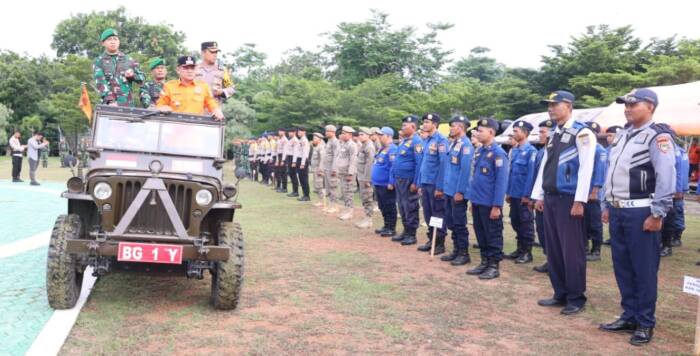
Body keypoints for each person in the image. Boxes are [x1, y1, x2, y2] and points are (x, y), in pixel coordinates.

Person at [599, 88, 675, 346]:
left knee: (643, 269)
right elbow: (611, 171)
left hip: (642, 211)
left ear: (650, 106)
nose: (628, 108)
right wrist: (607, 204)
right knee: (623, 266)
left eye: (634, 104)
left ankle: (645, 322)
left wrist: (658, 212)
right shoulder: (622, 135)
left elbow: (666, 175)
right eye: (626, 105)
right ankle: (629, 314)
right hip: (619, 209)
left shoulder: (658, 136)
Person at [531, 91, 596, 316]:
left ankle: (576, 296)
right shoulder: (555, 133)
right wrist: (538, 194)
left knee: (572, 250)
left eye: (554, 104)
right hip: (550, 198)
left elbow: (587, 168)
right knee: (554, 248)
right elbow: (546, 166)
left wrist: (580, 200)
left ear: (568, 105)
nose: (550, 108)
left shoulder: (582, 132)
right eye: (548, 105)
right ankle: (559, 292)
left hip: (569, 199)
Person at [466, 118, 508, 279]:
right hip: (478, 201)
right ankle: (484, 262)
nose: (477, 133)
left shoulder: (498, 153)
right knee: (481, 233)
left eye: (481, 130)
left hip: (490, 203)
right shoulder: (480, 151)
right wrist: (472, 200)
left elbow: (501, 182)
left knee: (493, 234)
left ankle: (493, 265)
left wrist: (497, 205)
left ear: (491, 132)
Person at [441, 116, 474, 266]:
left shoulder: (466, 145)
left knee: (459, 223)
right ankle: (456, 250)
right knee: (451, 221)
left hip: (457, 192)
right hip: (449, 190)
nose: (451, 129)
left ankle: (463, 253)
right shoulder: (453, 144)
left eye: (453, 126)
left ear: (460, 128)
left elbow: (465, 170)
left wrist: (460, 191)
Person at [504, 121, 538, 264]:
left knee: (526, 223)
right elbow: (511, 173)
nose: (514, 134)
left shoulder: (531, 152)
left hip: (524, 195)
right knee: (515, 221)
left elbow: (531, 175)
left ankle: (527, 252)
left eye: (516, 131)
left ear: (525, 133)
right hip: (514, 193)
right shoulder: (515, 150)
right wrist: (509, 192)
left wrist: (527, 196)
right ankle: (519, 249)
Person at [416, 113, 448, 255]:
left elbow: (443, 164)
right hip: (425, 182)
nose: (424, 124)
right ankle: (431, 239)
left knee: (437, 213)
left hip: (435, 184)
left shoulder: (441, 140)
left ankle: (439, 242)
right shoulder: (427, 140)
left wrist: (440, 187)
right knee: (428, 212)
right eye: (424, 122)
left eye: (427, 122)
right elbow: (423, 163)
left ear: (434, 124)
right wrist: (420, 183)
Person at [156, 56, 224, 120]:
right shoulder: (169, 86)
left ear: (196, 70)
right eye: (186, 68)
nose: (190, 71)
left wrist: (216, 111)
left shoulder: (203, 87)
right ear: (178, 70)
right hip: (174, 126)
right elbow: (160, 105)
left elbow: (211, 103)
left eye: (192, 68)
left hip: (196, 127)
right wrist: (162, 107)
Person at [392, 116, 424, 245]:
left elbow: (419, 163)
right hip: (400, 179)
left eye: (405, 125)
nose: (402, 127)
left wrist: (416, 182)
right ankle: (406, 230)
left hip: (409, 180)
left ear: (413, 127)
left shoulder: (417, 141)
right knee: (402, 205)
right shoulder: (405, 141)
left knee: (410, 206)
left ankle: (411, 234)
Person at [93, 28, 144, 106]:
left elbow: (142, 79)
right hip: (109, 105)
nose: (113, 42)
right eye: (109, 39)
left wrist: (132, 76)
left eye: (115, 39)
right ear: (103, 43)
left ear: (119, 42)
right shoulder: (99, 61)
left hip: (128, 105)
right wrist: (110, 101)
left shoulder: (129, 60)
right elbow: (101, 83)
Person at [660, 124, 689, 257]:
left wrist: (678, 190)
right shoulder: (676, 150)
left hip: (671, 191)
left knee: (671, 217)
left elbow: (679, 173)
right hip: (665, 190)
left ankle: (669, 243)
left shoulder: (675, 151)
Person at [531, 119, 555, 273]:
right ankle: (549, 259)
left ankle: (555, 262)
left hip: (551, 198)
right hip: (540, 197)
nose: (539, 135)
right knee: (541, 230)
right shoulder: (541, 152)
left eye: (542, 132)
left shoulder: (556, 151)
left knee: (552, 232)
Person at [584, 122, 607, 262]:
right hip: (582, 193)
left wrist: (595, 191)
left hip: (593, 193)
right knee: (583, 221)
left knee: (594, 222)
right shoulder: (584, 149)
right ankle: (584, 247)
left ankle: (596, 250)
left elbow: (600, 172)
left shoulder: (599, 150)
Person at [372, 127, 399, 237]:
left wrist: (391, 182)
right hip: (378, 183)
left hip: (386, 184)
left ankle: (391, 228)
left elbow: (393, 167)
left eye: (381, 135)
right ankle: (386, 225)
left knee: (389, 205)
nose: (379, 137)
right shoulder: (383, 149)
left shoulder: (392, 149)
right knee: (382, 205)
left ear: (388, 136)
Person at [602, 125, 623, 246]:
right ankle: (613, 236)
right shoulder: (607, 150)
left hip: (618, 187)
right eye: (607, 136)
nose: (608, 138)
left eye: (610, 135)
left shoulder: (621, 149)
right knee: (608, 210)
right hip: (607, 185)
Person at [334, 126, 358, 220]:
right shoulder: (343, 144)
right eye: (342, 133)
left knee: (348, 192)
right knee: (344, 192)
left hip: (348, 173)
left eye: (345, 133)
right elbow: (340, 158)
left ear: (350, 135)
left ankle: (350, 211)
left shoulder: (352, 145)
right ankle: (346, 209)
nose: (343, 135)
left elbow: (353, 160)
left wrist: (350, 173)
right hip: (342, 172)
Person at [354, 127, 377, 229]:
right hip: (361, 176)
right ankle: (366, 218)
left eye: (362, 134)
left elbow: (370, 164)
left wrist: (368, 179)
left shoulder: (369, 146)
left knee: (367, 198)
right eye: (359, 134)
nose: (360, 136)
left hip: (366, 177)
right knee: (364, 198)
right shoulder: (363, 145)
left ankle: (369, 219)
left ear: (368, 135)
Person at [321, 125, 341, 214]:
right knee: (328, 187)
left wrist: (334, 169)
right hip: (327, 167)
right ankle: (330, 204)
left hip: (332, 168)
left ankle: (335, 205)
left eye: (327, 131)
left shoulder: (335, 142)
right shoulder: (329, 141)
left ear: (332, 132)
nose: (326, 133)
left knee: (333, 187)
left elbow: (336, 156)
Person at [310, 132, 326, 207]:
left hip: (318, 169)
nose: (313, 140)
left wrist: (320, 170)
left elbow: (322, 159)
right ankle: (320, 200)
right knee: (317, 185)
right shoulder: (316, 146)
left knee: (319, 185)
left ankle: (322, 201)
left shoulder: (321, 147)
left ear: (319, 139)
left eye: (315, 138)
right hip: (315, 168)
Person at [296, 127, 311, 201]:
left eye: (300, 131)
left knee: (304, 179)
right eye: (298, 131)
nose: (298, 133)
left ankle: (307, 195)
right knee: (301, 178)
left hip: (303, 160)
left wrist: (302, 163)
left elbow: (305, 153)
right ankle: (304, 194)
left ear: (304, 132)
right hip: (299, 159)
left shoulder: (304, 140)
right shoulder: (301, 140)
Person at [287, 128, 300, 197]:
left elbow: (295, 152)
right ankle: (294, 190)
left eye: (291, 132)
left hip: (293, 158)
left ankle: (296, 191)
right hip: (289, 158)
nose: (289, 133)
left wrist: (294, 161)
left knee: (293, 175)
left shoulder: (295, 140)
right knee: (291, 175)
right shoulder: (291, 140)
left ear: (294, 133)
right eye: (289, 132)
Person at [276, 128, 289, 193]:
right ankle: (280, 186)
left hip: (283, 157)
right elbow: (278, 150)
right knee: (280, 172)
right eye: (279, 131)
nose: (279, 132)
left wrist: (283, 160)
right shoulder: (280, 139)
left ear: (284, 132)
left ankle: (284, 188)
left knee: (284, 173)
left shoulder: (285, 140)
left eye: (280, 131)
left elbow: (285, 151)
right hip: (279, 156)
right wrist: (278, 160)